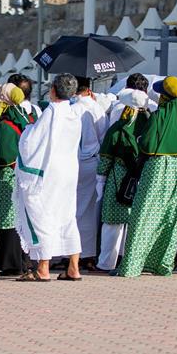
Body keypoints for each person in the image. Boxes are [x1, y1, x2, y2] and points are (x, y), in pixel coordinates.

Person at [118, 77, 177, 277]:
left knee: (143, 216)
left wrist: (140, 138)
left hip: (156, 168)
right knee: (170, 218)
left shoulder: (158, 116)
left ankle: (132, 266)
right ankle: (161, 264)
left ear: (165, 96)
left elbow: (147, 145)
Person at [14, 73, 83, 281]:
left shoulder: (51, 111)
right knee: (67, 215)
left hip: (48, 173)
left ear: (53, 90)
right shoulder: (74, 113)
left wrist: (27, 129)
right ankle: (73, 267)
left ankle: (43, 268)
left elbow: (31, 142)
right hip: (69, 171)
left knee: (43, 213)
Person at [96, 90, 150, 272]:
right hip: (144, 176)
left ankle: (106, 263)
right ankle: (132, 261)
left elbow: (105, 158)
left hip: (119, 176)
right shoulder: (151, 126)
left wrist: (100, 180)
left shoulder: (118, 128)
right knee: (136, 223)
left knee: (112, 222)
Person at [0, 83, 31, 276]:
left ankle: (11, 264)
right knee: (19, 216)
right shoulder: (27, 118)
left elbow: (3, 155)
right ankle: (22, 261)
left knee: (6, 217)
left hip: (7, 175)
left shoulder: (5, 125)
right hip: (23, 174)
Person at [72, 77, 108, 268]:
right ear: (89, 89)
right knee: (87, 210)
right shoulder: (95, 108)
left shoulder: (70, 107)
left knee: (69, 207)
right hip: (91, 162)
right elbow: (104, 134)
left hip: (70, 162)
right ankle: (86, 255)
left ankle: (66, 253)